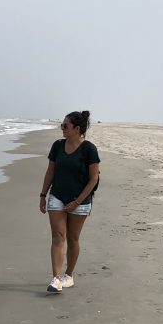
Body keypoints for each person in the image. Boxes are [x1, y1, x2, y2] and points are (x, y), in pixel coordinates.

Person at [39, 110, 100, 293]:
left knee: (73, 239)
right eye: (62, 125)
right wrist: (43, 195)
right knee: (58, 237)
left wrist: (77, 201)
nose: (62, 128)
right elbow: (50, 172)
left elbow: (93, 179)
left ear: (77, 128)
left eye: (65, 125)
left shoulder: (89, 149)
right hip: (57, 197)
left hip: (80, 201)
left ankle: (69, 275)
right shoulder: (57, 146)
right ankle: (56, 279)